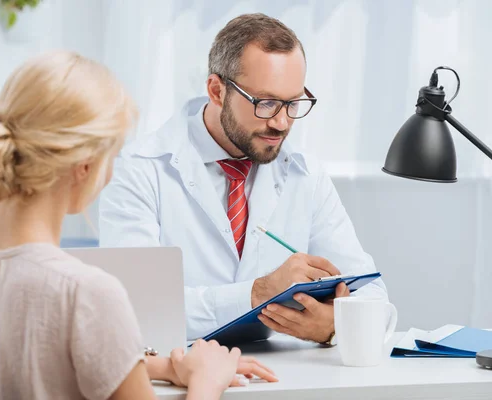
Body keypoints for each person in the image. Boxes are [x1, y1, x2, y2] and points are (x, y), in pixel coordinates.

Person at [0, 51, 276, 400]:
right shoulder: (84, 294)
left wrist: (158, 365)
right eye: (111, 155)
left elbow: (16, 357)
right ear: (84, 166)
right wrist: (207, 380)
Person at [99, 13, 388, 344]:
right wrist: (258, 293)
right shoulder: (140, 169)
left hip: (292, 382)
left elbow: (372, 293)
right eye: (265, 103)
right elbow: (133, 309)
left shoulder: (306, 174)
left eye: (293, 103)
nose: (281, 122)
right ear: (217, 90)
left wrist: (335, 326)